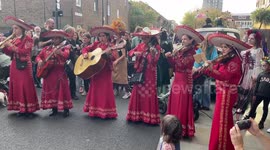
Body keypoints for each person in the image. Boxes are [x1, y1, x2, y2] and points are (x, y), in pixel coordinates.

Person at [201, 33, 252, 150]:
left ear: (232, 48)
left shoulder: (235, 60)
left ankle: (222, 146)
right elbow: (215, 71)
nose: (222, 49)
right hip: (222, 92)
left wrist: (210, 69)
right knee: (221, 120)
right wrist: (208, 67)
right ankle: (221, 145)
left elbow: (224, 76)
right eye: (222, 46)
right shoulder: (225, 58)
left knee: (222, 121)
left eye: (225, 47)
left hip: (227, 94)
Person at [165, 25, 204, 137]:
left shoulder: (193, 52)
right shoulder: (180, 50)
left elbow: (182, 64)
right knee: (175, 103)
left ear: (191, 40)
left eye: (185, 39)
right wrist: (169, 58)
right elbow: (174, 65)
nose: (182, 41)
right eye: (182, 39)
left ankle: (179, 130)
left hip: (184, 81)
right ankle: (171, 127)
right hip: (177, 79)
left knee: (181, 105)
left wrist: (174, 55)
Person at [2, 16, 40, 117]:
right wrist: (5, 47)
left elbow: (24, 52)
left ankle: (29, 109)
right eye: (13, 28)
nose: (14, 30)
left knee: (26, 86)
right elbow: (10, 53)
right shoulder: (14, 39)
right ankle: (21, 108)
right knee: (17, 86)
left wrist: (10, 45)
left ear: (22, 29)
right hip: (14, 65)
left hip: (24, 66)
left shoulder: (28, 39)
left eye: (16, 28)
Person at [126, 27, 161, 125]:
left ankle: (148, 117)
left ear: (150, 37)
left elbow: (154, 62)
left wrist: (152, 55)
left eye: (145, 38)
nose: (143, 39)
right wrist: (135, 53)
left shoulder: (156, 47)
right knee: (137, 91)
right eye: (142, 37)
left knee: (148, 94)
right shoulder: (140, 45)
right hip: (139, 72)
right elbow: (130, 52)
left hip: (149, 73)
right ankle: (137, 115)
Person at [82, 26, 118, 119]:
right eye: (100, 36)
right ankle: (94, 110)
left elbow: (115, 57)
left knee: (105, 90)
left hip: (105, 71)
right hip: (95, 71)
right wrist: (85, 54)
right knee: (95, 89)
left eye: (103, 36)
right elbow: (85, 49)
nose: (101, 38)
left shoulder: (111, 46)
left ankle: (105, 111)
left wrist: (109, 54)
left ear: (107, 36)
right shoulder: (96, 44)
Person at [36, 29, 73, 117]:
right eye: (53, 38)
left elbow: (66, 56)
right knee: (51, 91)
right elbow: (38, 56)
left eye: (57, 38)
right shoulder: (47, 48)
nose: (54, 40)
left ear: (60, 39)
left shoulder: (65, 47)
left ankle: (66, 109)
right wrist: (40, 61)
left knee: (62, 90)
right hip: (49, 73)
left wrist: (60, 52)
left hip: (59, 72)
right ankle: (54, 108)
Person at [236, 29, 264, 118]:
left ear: (256, 40)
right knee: (242, 94)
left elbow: (258, 64)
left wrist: (255, 77)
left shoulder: (259, 50)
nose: (249, 40)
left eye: (252, 38)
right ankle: (240, 112)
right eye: (249, 38)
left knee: (251, 95)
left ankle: (251, 114)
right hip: (245, 73)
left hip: (252, 75)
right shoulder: (246, 49)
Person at [243, 56, 270, 129]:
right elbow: (257, 84)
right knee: (253, 106)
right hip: (259, 94)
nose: (263, 67)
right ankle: (249, 118)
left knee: (265, 108)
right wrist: (254, 94)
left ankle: (262, 122)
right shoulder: (261, 74)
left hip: (267, 96)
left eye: (265, 65)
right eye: (263, 65)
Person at [193, 33, 218, 110]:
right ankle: (198, 103)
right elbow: (198, 57)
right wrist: (204, 63)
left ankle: (206, 105)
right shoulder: (200, 46)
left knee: (206, 87)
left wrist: (210, 61)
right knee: (199, 87)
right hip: (199, 68)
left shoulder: (213, 48)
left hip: (207, 69)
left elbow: (215, 57)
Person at [110, 19, 131, 99]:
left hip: (121, 62)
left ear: (120, 33)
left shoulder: (123, 42)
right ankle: (115, 90)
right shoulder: (114, 41)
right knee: (114, 77)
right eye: (114, 33)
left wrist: (117, 60)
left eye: (116, 33)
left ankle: (127, 92)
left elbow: (124, 55)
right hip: (115, 61)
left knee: (123, 78)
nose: (115, 35)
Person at [64, 26, 79, 100]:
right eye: (72, 32)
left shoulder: (73, 41)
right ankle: (65, 93)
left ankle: (72, 93)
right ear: (68, 33)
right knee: (64, 79)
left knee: (72, 78)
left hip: (72, 62)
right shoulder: (63, 41)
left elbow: (74, 51)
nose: (73, 34)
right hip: (65, 62)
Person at [157, 29, 173, 97]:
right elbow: (170, 51)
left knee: (162, 77)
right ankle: (164, 92)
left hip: (162, 63)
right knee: (165, 77)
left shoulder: (161, 44)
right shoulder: (168, 42)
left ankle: (162, 93)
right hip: (166, 62)